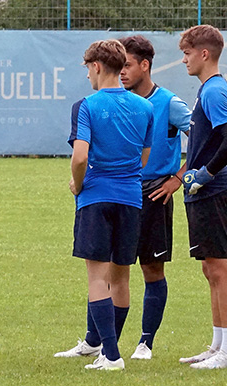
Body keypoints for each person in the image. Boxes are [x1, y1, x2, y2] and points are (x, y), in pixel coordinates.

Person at [55, 39, 153, 371]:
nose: (86, 77)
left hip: (96, 197)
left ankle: (110, 356)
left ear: (97, 66)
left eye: (87, 69)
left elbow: (80, 156)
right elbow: (144, 156)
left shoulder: (87, 105)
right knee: (121, 277)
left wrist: (78, 184)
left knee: (97, 278)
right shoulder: (145, 107)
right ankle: (108, 350)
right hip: (131, 198)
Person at [117, 35, 191, 360]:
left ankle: (145, 343)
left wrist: (178, 178)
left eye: (127, 65)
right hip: (120, 192)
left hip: (154, 195)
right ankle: (102, 343)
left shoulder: (170, 103)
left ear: (144, 65)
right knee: (110, 270)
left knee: (151, 270)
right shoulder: (118, 101)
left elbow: (207, 138)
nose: (120, 72)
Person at [177, 24, 227, 369]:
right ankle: (218, 345)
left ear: (204, 54)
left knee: (220, 268)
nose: (184, 60)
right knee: (209, 268)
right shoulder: (207, 90)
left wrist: (205, 174)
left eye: (187, 54)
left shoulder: (215, 90)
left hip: (214, 190)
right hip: (202, 192)